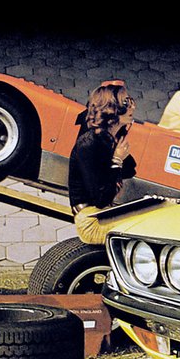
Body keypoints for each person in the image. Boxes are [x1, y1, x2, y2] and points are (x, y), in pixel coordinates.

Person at [68, 80, 138, 245]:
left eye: (131, 101)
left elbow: (130, 169)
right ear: (112, 109)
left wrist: (120, 136)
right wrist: (117, 159)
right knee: (145, 229)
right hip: (91, 221)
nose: (132, 107)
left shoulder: (107, 138)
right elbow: (101, 198)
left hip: (102, 214)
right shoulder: (89, 143)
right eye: (126, 102)